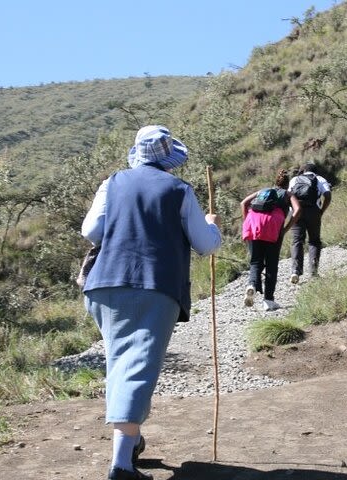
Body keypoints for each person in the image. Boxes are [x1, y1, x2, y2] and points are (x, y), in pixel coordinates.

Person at [81, 125, 221, 480]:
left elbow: (91, 232)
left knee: (121, 362)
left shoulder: (112, 182)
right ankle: (122, 466)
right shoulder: (179, 190)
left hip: (103, 285)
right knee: (137, 366)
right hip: (154, 286)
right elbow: (205, 244)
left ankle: (130, 442)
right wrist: (212, 225)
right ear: (169, 159)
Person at [240, 169, 301, 311]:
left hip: (254, 226)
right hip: (274, 229)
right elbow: (297, 210)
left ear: (275, 181)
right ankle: (268, 300)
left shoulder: (263, 191)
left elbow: (244, 203)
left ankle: (252, 285)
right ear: (287, 184)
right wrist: (286, 228)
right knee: (271, 265)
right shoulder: (287, 194)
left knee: (255, 261)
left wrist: (247, 222)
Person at [288, 161, 331, 283]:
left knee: (297, 241)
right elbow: (327, 195)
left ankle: (295, 271)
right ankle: (313, 272)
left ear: (303, 170)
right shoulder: (319, 178)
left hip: (297, 212)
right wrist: (321, 211)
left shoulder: (295, 179)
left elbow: (288, 196)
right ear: (315, 170)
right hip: (313, 211)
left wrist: (292, 213)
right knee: (314, 241)